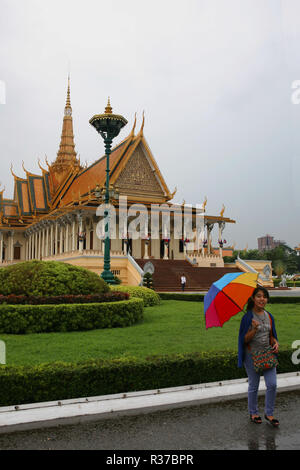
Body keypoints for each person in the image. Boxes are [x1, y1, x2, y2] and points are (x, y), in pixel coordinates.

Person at [238, 286, 280, 427]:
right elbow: (243, 340)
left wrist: (276, 343)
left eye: (265, 296)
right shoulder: (247, 317)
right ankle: (254, 412)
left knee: (272, 384)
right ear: (253, 299)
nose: (262, 299)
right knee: (254, 385)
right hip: (252, 355)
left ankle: (269, 413)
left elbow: (272, 335)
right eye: (259, 296)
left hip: (267, 354)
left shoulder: (269, 316)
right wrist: (254, 329)